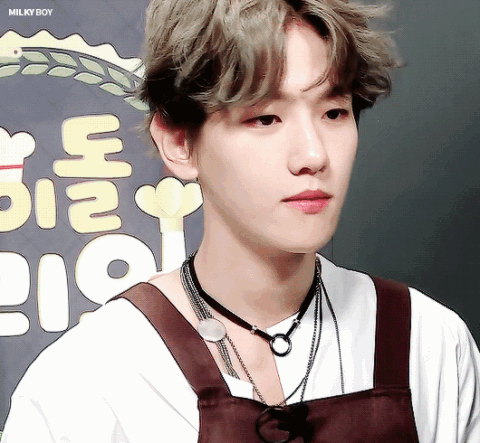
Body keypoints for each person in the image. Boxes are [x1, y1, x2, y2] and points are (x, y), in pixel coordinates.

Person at [3, 0, 480, 441]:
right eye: (265, 118)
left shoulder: (430, 342)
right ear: (179, 142)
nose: (313, 155)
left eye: (334, 112)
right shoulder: (89, 381)